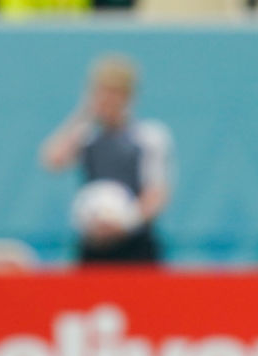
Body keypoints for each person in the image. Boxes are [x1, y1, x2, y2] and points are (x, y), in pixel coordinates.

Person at [41, 54, 174, 263]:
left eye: (114, 94)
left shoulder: (149, 136)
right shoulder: (86, 137)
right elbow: (53, 160)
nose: (107, 101)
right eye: (101, 93)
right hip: (93, 244)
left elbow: (157, 194)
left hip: (136, 246)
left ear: (128, 97)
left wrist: (124, 221)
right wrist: (84, 114)